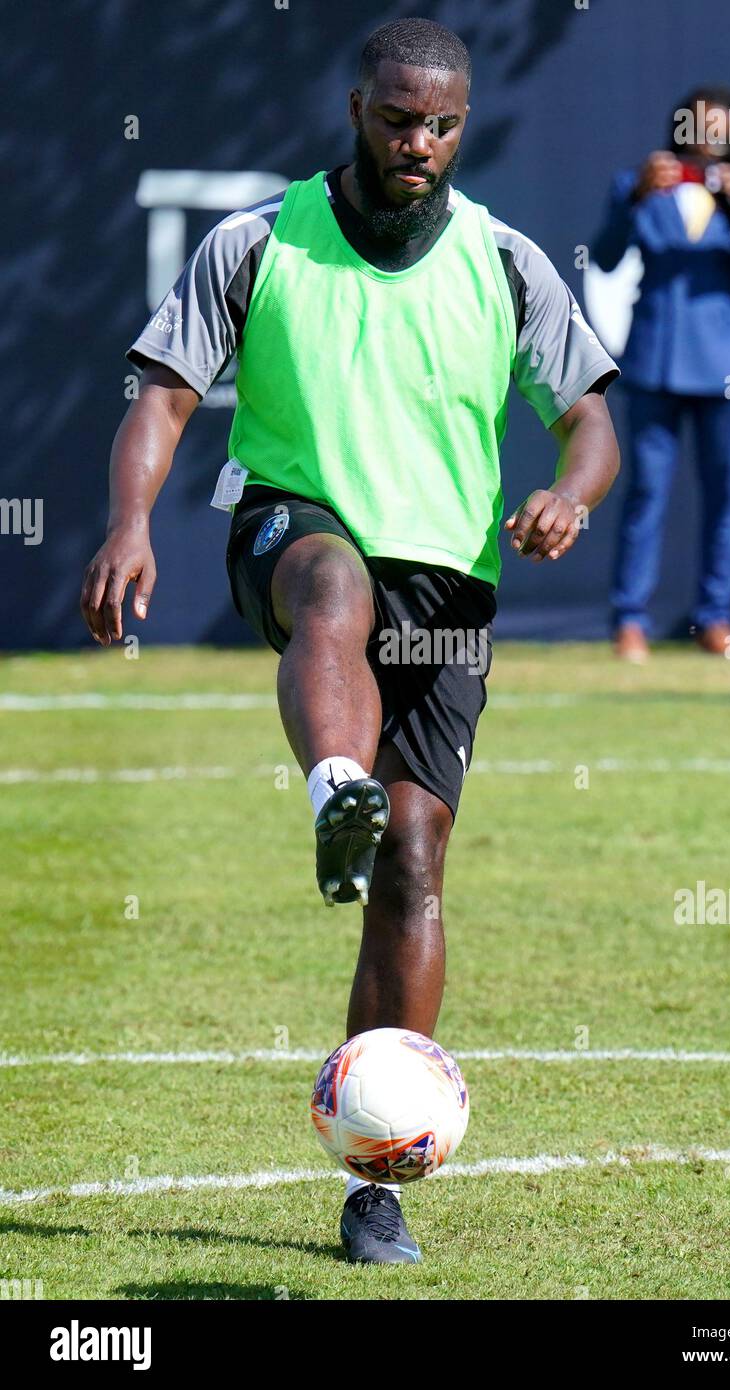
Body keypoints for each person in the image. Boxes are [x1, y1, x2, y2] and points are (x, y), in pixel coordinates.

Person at [80, 17, 620, 1263]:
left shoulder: (504, 260)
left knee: (417, 862)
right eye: (395, 118)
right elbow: (162, 397)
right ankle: (336, 786)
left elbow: (590, 414)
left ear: (462, 126)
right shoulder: (260, 241)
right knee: (329, 589)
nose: (416, 143)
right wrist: (129, 525)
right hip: (295, 521)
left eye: (439, 125)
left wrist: (569, 495)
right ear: (356, 107)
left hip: (451, 587)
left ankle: (378, 1177)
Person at [592, 85, 730, 662]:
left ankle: (716, 619)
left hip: (728, 371)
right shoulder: (637, 185)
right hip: (655, 363)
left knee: (724, 495)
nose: (710, 136)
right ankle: (630, 621)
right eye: (699, 124)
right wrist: (634, 203)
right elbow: (602, 258)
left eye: (723, 128)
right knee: (645, 492)